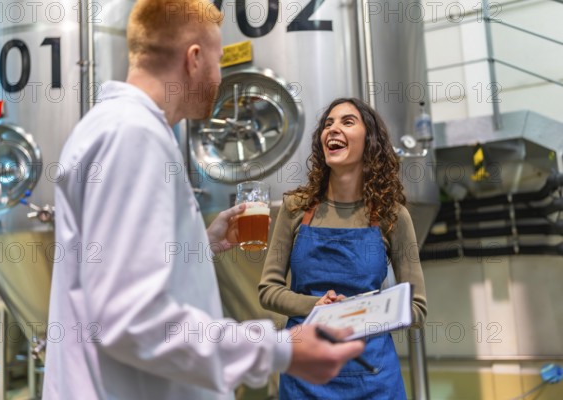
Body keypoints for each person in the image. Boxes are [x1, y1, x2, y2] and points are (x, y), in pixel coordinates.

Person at [42, 1, 365, 399]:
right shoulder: (134, 136)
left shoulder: (111, 127)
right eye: (217, 61)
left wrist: (197, 244)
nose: (219, 77)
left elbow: (117, 269)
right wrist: (280, 349)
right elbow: (131, 319)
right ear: (194, 59)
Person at [259, 98, 428, 399]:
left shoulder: (392, 215)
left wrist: (362, 314)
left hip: (374, 378)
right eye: (328, 124)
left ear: (370, 141)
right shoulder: (296, 208)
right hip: (305, 375)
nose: (333, 129)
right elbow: (268, 290)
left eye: (347, 122)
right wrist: (316, 307)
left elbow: (416, 307)